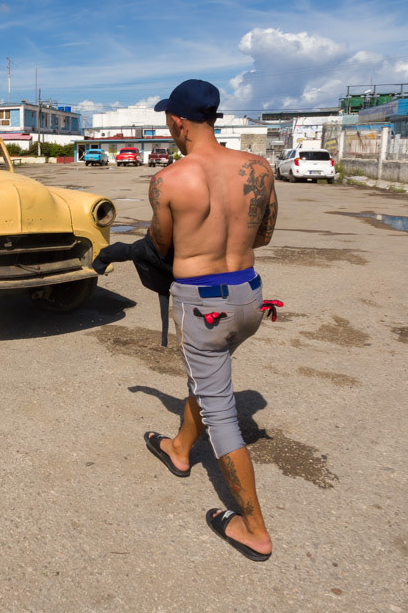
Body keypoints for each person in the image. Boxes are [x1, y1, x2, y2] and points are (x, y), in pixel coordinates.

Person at [142, 79, 279, 562]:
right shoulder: (259, 169)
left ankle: (253, 528)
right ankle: (180, 448)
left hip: (202, 304)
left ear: (177, 121)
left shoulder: (168, 179)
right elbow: (262, 235)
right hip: (249, 299)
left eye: (166, 119)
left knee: (221, 414)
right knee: (210, 379)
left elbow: (161, 245)